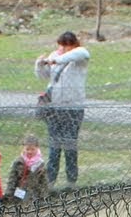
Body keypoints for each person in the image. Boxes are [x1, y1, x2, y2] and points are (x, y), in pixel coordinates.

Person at [35, 31, 90, 186]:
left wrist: (55, 59)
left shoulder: (79, 56)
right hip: (54, 108)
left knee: (70, 146)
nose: (64, 49)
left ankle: (71, 182)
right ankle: (50, 182)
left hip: (73, 108)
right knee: (54, 147)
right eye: (61, 45)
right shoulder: (55, 56)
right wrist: (40, 64)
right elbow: (44, 76)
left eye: (67, 46)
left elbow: (79, 53)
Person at [6, 134, 48, 203]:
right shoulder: (18, 162)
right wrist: (9, 194)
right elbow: (12, 179)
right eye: (27, 149)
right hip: (19, 192)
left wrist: (44, 197)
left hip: (34, 194)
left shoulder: (40, 163)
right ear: (23, 148)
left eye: (32, 149)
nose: (30, 151)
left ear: (37, 148)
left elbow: (44, 183)